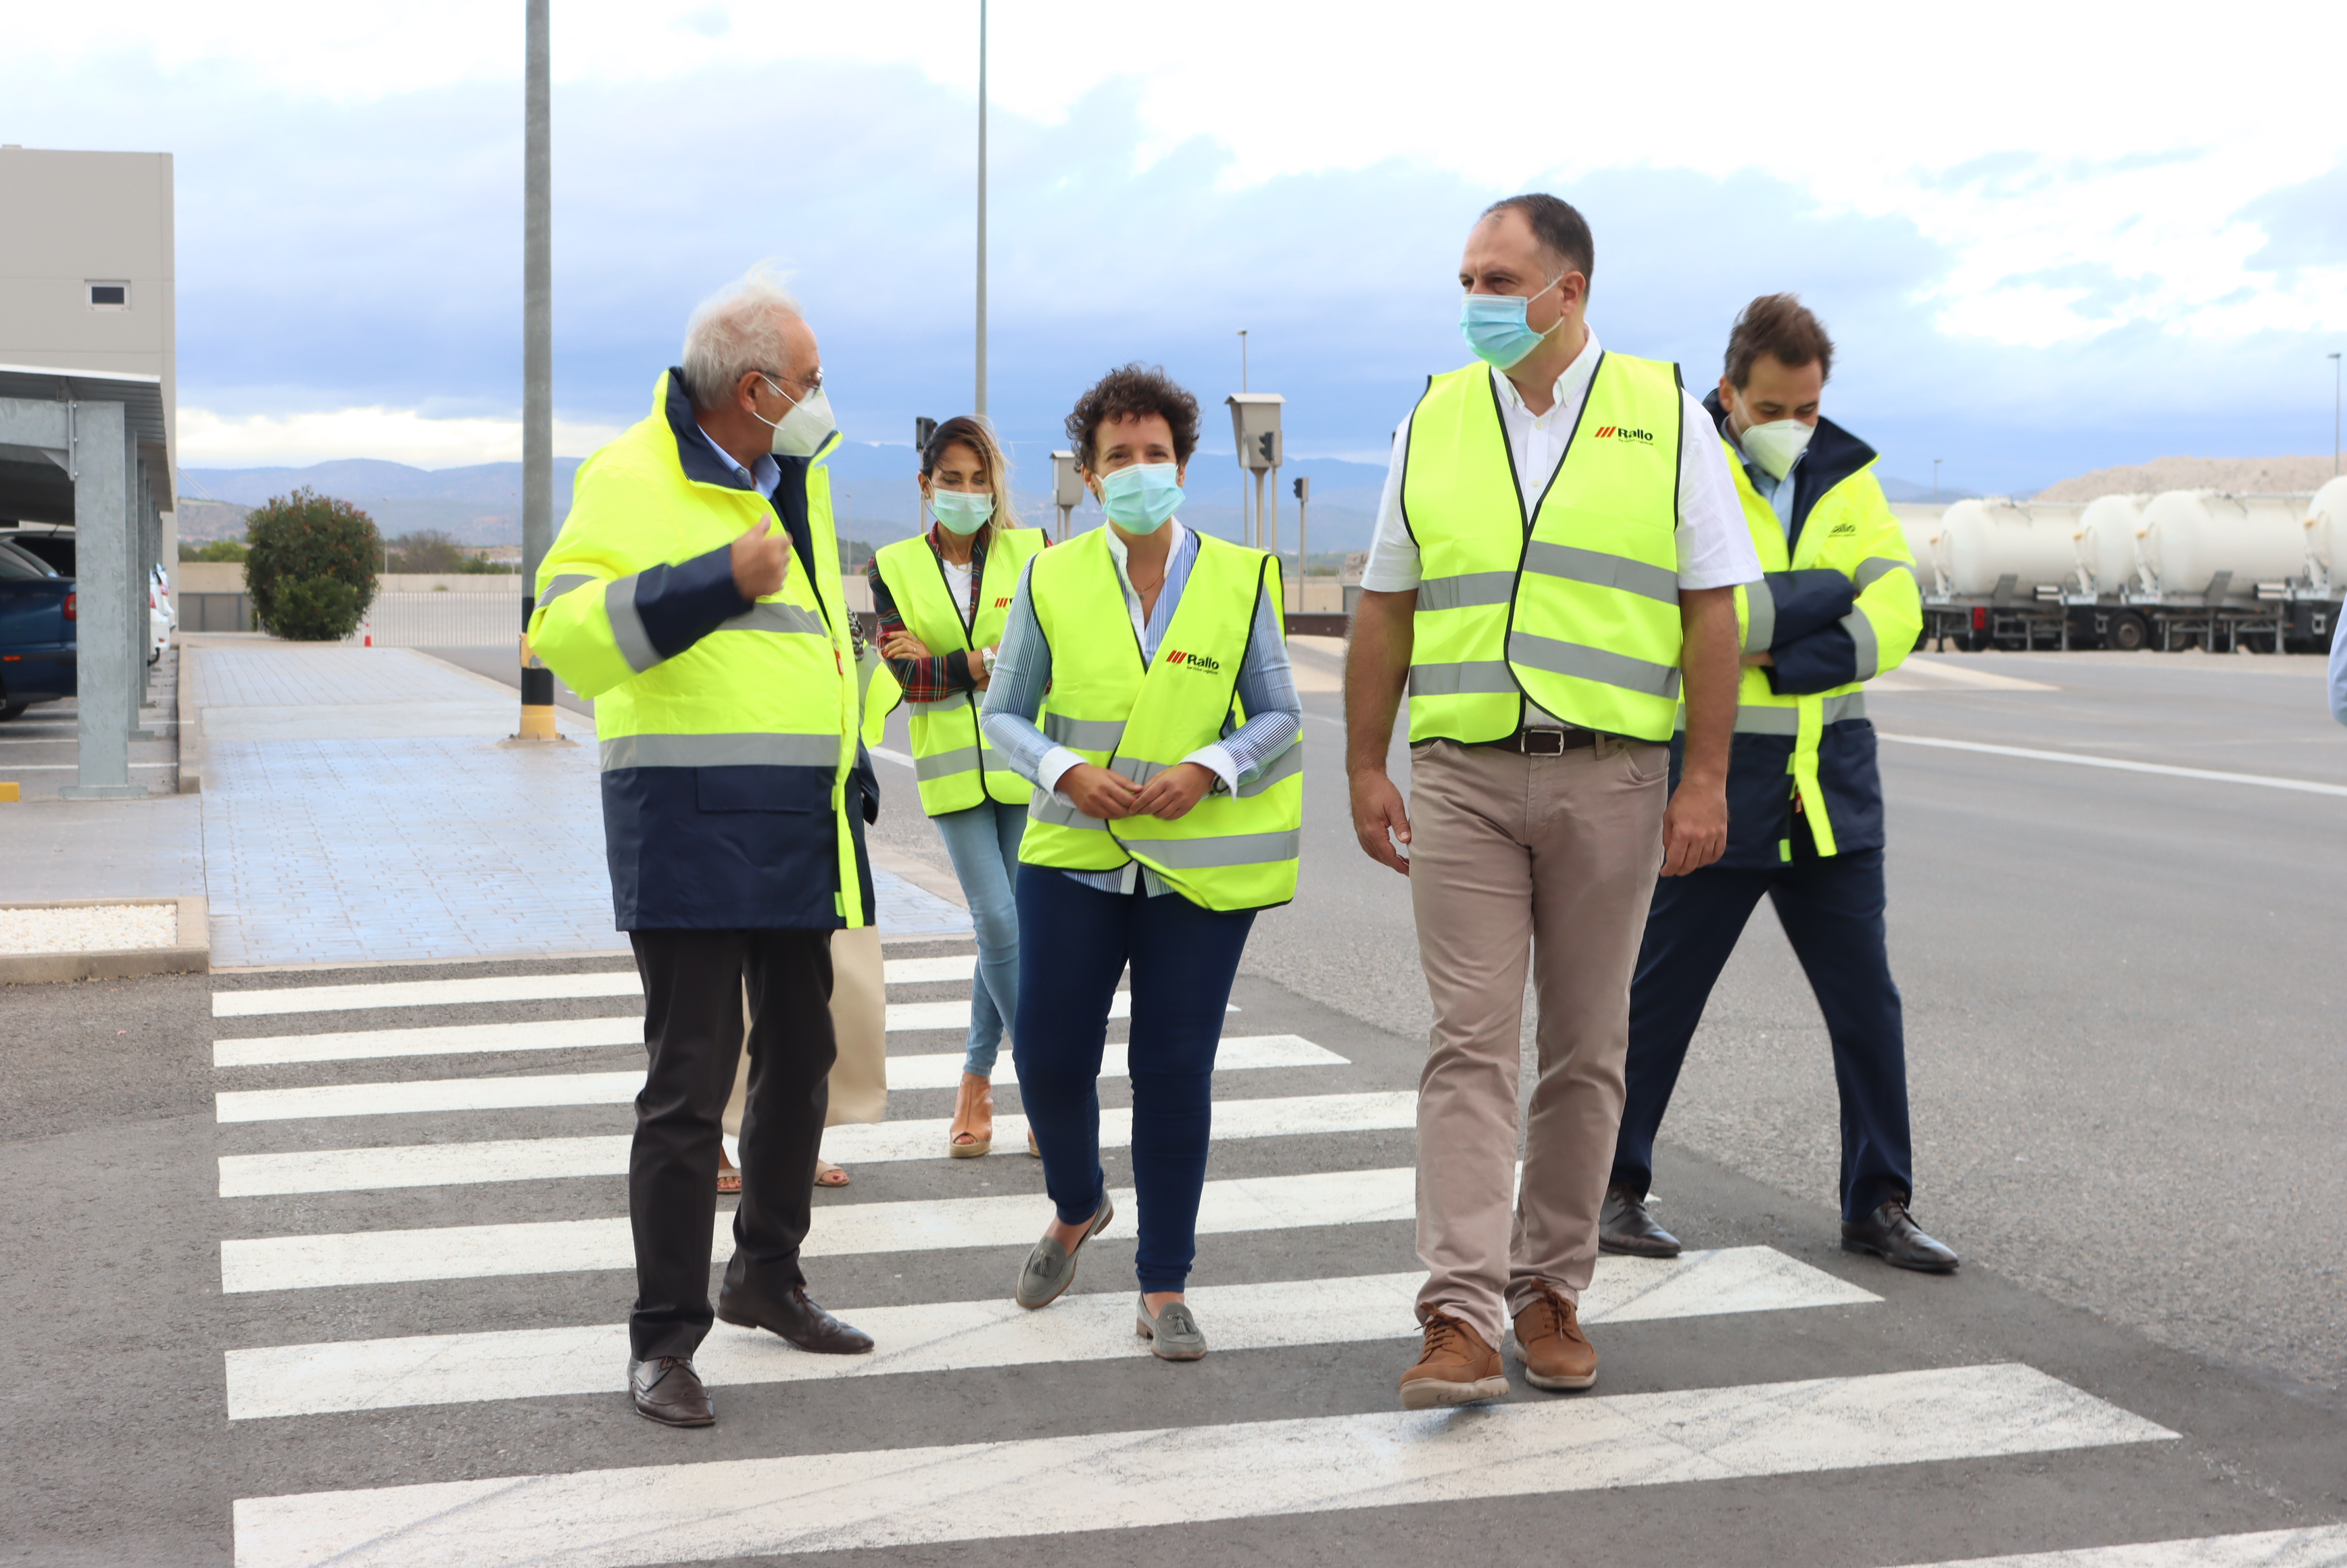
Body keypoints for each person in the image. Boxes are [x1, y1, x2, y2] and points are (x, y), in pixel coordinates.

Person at [1345, 195, 1759, 1409]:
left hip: (1611, 774)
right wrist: (1368, 763)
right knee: (1467, 1042)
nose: (1474, 298)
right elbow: (1384, 602)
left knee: (1584, 1048)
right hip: (1463, 774)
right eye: (1466, 277)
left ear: (1566, 290)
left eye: (1495, 277)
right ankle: (1460, 1316)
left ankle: (1549, 1289)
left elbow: (1711, 608)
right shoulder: (1434, 415)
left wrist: (1703, 778)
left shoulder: (1665, 415)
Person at [528, 266, 879, 1430]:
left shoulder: (797, 475)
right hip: (683, 820)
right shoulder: (629, 476)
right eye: (813, 380)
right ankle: (662, 1341)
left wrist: (851, 755)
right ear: (755, 387)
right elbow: (566, 635)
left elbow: (817, 638)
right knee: (690, 1085)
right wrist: (710, 583)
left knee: (804, 1059)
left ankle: (767, 1278)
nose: (825, 398)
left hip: (796, 821)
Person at [1601, 295, 1956, 1273]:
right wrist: (1815, 595)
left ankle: (1878, 1203)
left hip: (1831, 792)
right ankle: (1613, 1190)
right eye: (1774, 407)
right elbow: (1687, 611)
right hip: (1713, 784)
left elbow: (1899, 611)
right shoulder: (1683, 467)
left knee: (1868, 1011)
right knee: (1659, 1001)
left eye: (1807, 407)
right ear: (1730, 394)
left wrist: (1796, 651)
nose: (1793, 427)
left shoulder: (1853, 474)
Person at [982, 364, 1303, 1361]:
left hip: (1195, 874)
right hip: (1073, 856)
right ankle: (1078, 1206)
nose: (1138, 471)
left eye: (1154, 454)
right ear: (1088, 471)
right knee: (1048, 1056)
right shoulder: (1049, 573)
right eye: (1118, 456)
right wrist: (1064, 769)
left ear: (1183, 464)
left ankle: (1163, 1282)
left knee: (1172, 1071)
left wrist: (1212, 767)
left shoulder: (1242, 577)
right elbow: (1003, 714)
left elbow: (1281, 716)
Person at [869, 416, 1048, 1157]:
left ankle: (975, 1080)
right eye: (952, 479)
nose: (967, 493)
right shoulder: (893, 566)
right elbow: (907, 677)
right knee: (998, 925)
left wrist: (954, 661)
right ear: (926, 485)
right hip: (949, 771)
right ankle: (1045, 1081)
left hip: (1021, 763)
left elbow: (1042, 659)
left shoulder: (1032, 554)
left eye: (979, 480)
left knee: (1009, 930)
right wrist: (984, 660)